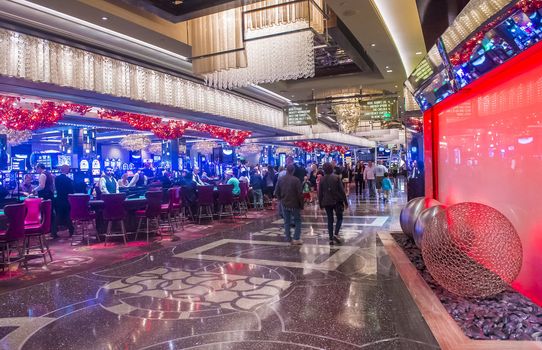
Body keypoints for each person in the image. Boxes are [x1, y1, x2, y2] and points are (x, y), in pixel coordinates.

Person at [318, 162, 348, 245]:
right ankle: (336, 233)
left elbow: (320, 193)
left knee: (330, 220)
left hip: (327, 201)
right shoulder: (337, 177)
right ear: (332, 168)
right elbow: (342, 191)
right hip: (337, 201)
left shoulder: (322, 179)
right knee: (340, 218)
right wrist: (345, 202)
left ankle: (331, 238)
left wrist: (320, 203)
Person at [274, 164, 303, 245]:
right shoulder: (296, 180)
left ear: (286, 170)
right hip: (295, 204)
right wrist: (301, 204)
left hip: (284, 203)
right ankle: (296, 238)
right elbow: (300, 194)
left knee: (286, 221)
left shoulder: (280, 179)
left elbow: (276, 192)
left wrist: (281, 199)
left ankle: (288, 237)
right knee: (297, 221)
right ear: (293, 171)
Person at [53, 164, 75, 238]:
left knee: (58, 215)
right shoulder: (68, 180)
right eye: (69, 169)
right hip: (67, 199)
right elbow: (71, 191)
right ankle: (71, 231)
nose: (69, 170)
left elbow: (56, 189)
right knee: (68, 215)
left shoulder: (57, 178)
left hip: (59, 199)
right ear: (66, 169)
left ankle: (53, 232)